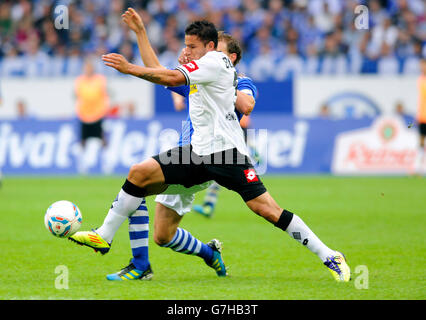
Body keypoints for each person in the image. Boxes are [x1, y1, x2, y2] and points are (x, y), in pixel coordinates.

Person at [70, 17, 350, 283]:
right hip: (195, 152)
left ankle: (329, 255)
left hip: (227, 153)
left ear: (220, 52)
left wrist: (131, 68)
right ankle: (107, 237)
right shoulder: (201, 75)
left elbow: (242, 103)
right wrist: (144, 36)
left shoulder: (218, 66)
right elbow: (161, 74)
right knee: (141, 179)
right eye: (187, 46)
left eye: (193, 46)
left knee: (266, 209)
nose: (187, 50)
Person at [74, 58, 109, 173]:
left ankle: (106, 165)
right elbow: (78, 96)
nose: (88, 70)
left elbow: (104, 95)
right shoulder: (79, 81)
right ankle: (82, 166)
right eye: (86, 68)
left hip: (98, 114)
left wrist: (104, 109)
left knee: (103, 140)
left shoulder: (100, 80)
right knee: (83, 141)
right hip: (84, 115)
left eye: (90, 67)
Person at [415, 58, 426, 175]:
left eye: (423, 65)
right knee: (421, 141)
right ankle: (419, 167)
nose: (422, 67)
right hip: (422, 116)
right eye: (421, 65)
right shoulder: (420, 80)